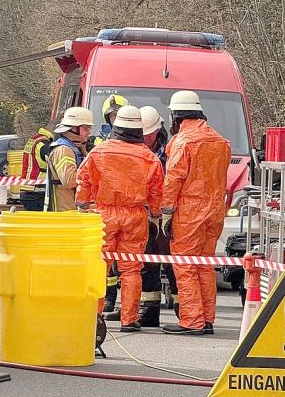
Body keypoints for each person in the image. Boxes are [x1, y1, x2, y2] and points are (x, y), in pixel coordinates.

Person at [77, 106, 163, 332]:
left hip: (103, 214)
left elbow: (83, 178)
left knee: (99, 267)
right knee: (132, 269)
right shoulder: (149, 157)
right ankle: (129, 319)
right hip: (134, 216)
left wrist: (82, 203)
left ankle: (93, 317)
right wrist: (155, 213)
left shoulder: (99, 151)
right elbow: (156, 191)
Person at [160, 91, 231, 335]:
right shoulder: (220, 141)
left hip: (190, 211)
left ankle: (191, 320)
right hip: (215, 210)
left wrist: (166, 212)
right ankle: (207, 318)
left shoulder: (183, 142)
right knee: (205, 264)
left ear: (176, 115)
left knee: (185, 263)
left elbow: (174, 179)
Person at [136, 105, 176, 328]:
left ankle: (183, 310)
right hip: (146, 214)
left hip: (166, 215)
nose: (145, 139)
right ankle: (149, 312)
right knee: (147, 263)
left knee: (171, 263)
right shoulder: (140, 151)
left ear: (158, 131)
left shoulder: (170, 151)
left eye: (148, 134)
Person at [46, 107, 94, 211]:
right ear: (73, 128)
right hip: (66, 213)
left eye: (90, 128)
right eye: (86, 128)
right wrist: (93, 170)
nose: (89, 132)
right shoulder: (63, 149)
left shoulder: (76, 147)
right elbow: (70, 181)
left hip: (74, 211)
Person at [19, 126, 54, 211]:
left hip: (27, 189)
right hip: (38, 191)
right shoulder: (43, 144)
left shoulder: (34, 140)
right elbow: (54, 160)